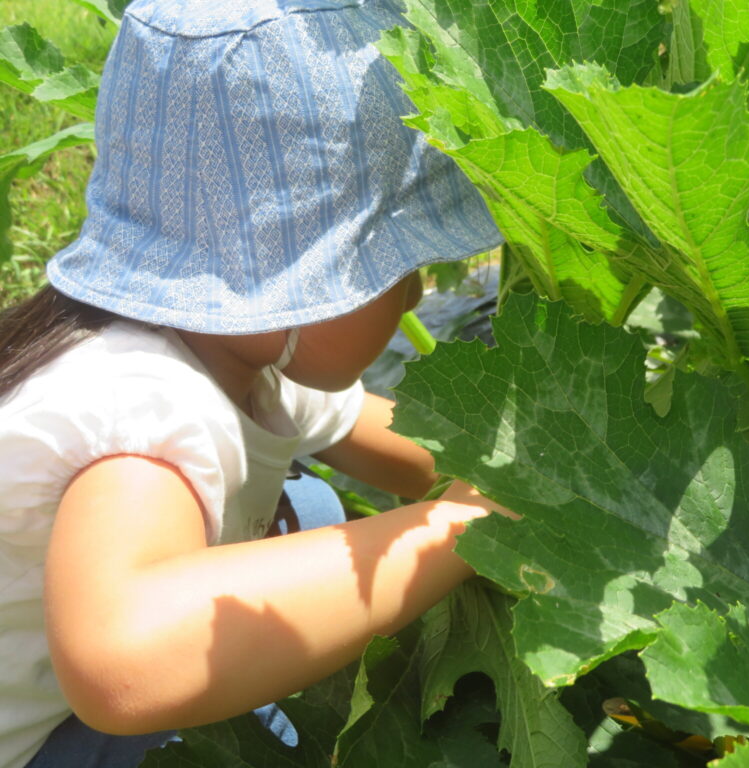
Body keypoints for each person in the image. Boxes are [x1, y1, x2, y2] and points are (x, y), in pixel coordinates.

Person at [0, 1, 510, 766]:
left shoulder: (236, 351)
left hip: (46, 679)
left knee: (310, 511)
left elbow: (404, 447)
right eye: (391, 266)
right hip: (37, 740)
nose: (412, 294)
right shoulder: (147, 413)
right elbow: (121, 664)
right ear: (282, 275)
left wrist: (511, 481)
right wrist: (460, 529)